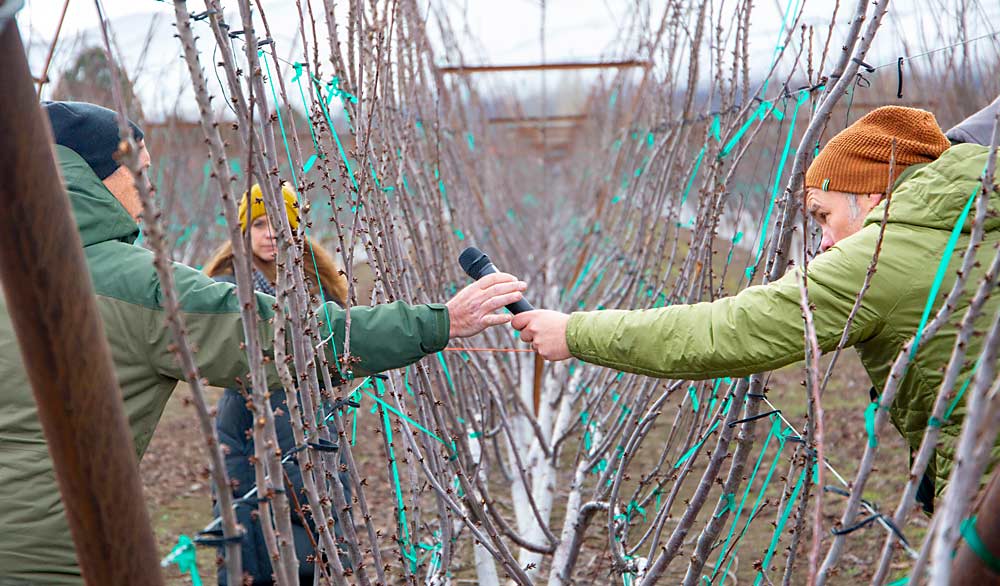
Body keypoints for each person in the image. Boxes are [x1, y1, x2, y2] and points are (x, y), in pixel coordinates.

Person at [0, 101, 527, 585]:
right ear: (95, 176)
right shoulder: (135, 283)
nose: (151, 189)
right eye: (140, 171)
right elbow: (292, 342)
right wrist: (441, 321)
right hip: (55, 558)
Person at [514, 104, 1000, 512]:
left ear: (873, 197)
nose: (824, 241)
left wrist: (575, 333)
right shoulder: (974, 207)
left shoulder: (880, 255)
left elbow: (724, 333)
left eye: (824, 216)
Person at [203, 183, 351, 585]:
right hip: (249, 416)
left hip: (315, 412)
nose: (271, 234)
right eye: (261, 224)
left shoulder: (318, 286)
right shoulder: (227, 288)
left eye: (282, 225)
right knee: (251, 525)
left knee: (318, 512)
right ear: (243, 231)